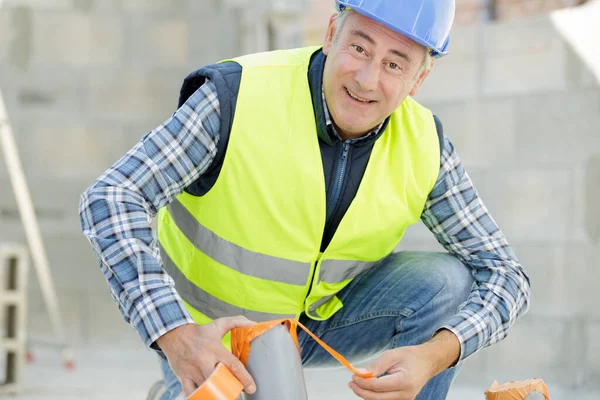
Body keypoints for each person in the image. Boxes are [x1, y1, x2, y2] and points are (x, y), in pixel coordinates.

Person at [79, 0, 531, 399]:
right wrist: (175, 334)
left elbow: (507, 275)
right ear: (332, 33)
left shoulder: (425, 146)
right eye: (360, 47)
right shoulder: (236, 98)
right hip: (214, 331)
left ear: (419, 77)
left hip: (317, 324)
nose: (368, 79)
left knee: (449, 281)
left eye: (396, 64)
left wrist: (436, 354)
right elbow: (113, 196)